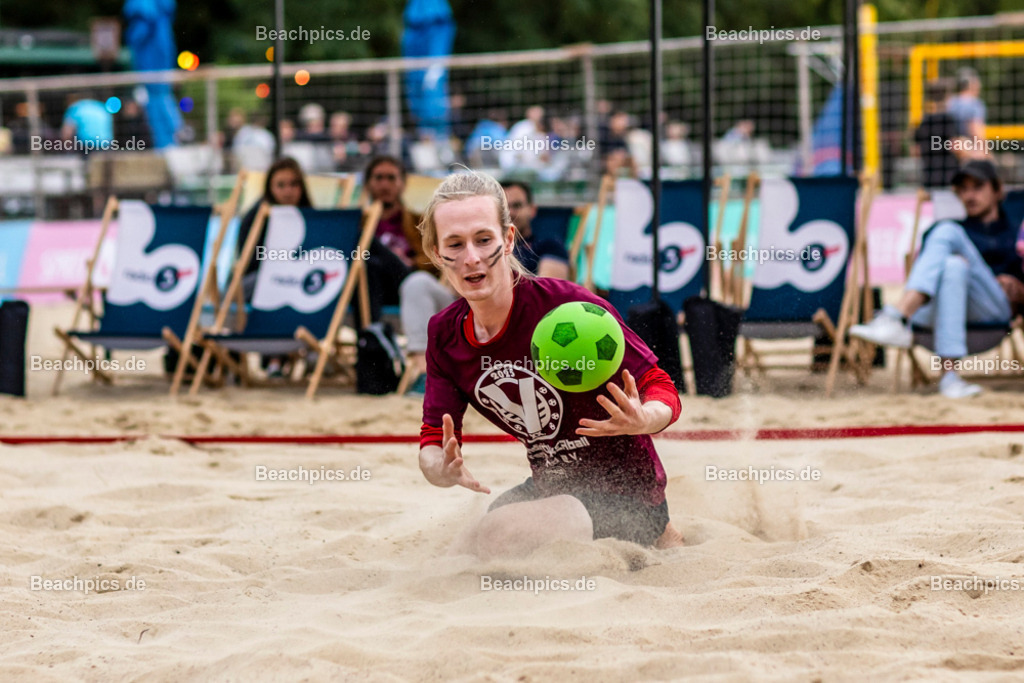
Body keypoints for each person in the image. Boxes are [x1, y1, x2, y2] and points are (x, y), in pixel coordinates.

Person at [416, 171, 685, 557]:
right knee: (468, 546)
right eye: (454, 244)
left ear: (508, 240)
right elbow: (432, 439)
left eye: (483, 239)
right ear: (436, 253)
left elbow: (659, 383)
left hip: (629, 496)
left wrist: (646, 417)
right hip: (551, 487)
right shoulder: (445, 333)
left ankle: (660, 533)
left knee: (499, 535)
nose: (471, 257)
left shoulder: (567, 308)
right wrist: (438, 470)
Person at [850, 160, 1023, 398]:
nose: (969, 195)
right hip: (937, 321)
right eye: (963, 189)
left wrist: (1017, 287)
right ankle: (950, 378)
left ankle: (897, 317)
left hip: (992, 313)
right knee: (953, 266)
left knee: (948, 234)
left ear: (998, 190)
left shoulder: (1016, 233)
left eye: (977, 187)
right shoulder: (947, 230)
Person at [235, 157, 313, 377]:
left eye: (294, 184)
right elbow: (247, 263)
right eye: (281, 185)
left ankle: (280, 358)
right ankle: (278, 357)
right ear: (270, 188)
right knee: (279, 283)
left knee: (294, 283)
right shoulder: (256, 217)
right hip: (256, 282)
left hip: (293, 283)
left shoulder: (312, 217)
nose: (288, 191)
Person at [502, 181, 571, 280]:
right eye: (503, 207)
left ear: (532, 209)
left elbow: (548, 291)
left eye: (517, 205)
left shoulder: (549, 246)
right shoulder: (487, 248)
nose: (510, 212)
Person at [913, 79, 968, 189]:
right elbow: (957, 147)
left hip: (928, 177)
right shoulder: (950, 120)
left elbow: (916, 151)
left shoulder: (923, 121)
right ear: (948, 96)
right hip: (950, 177)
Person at [947, 67, 987, 142]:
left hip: (946, 146)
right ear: (972, 84)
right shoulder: (975, 104)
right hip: (967, 148)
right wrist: (987, 152)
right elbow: (976, 132)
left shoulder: (949, 102)